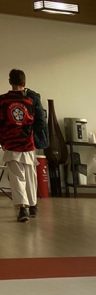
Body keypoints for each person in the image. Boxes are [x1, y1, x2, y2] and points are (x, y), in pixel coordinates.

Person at [0, 69, 41, 222]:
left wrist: (2, 141)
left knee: (17, 178)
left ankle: (22, 208)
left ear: (10, 82)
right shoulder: (31, 101)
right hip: (28, 144)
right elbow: (35, 122)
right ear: (24, 83)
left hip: (11, 144)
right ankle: (33, 206)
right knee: (31, 176)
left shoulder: (2, 101)